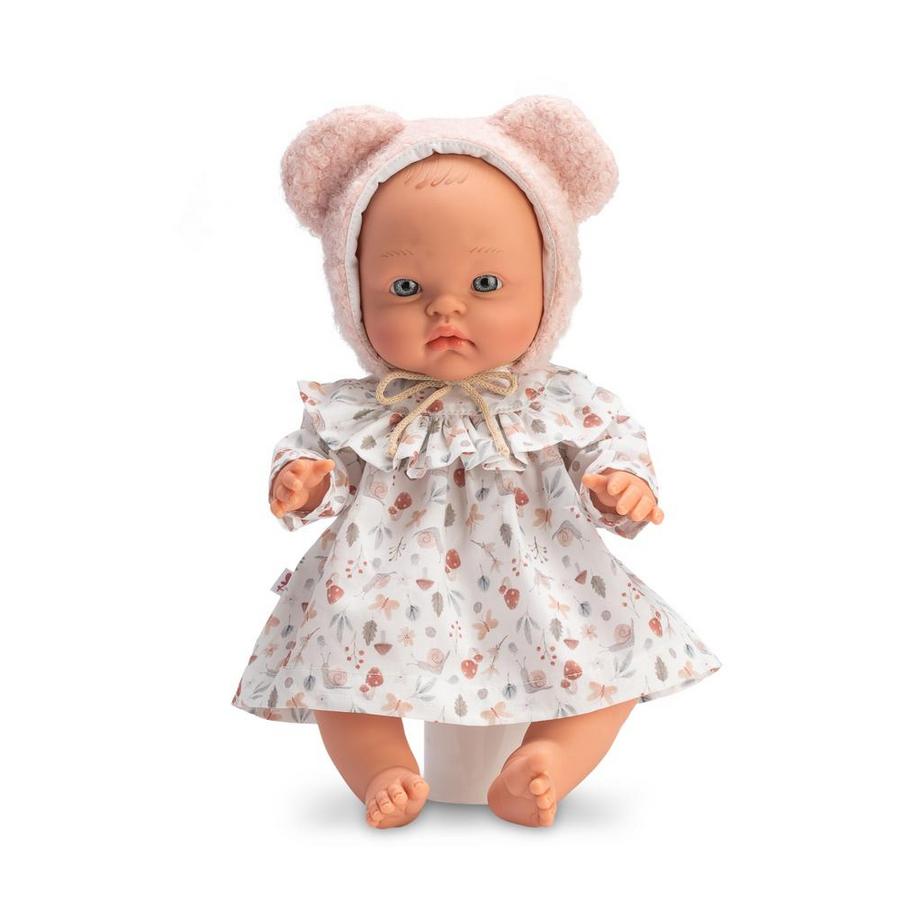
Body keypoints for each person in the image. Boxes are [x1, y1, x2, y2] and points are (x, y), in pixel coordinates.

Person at [232, 96, 722, 829]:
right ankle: (384, 769)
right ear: (352, 293)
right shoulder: (363, 407)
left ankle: (547, 759)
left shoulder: (557, 399)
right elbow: (317, 452)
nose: (446, 310)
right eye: (406, 289)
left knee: (617, 660)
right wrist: (305, 480)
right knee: (342, 666)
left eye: (486, 285)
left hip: (541, 581)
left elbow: (610, 439)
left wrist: (620, 483)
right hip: (388, 591)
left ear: (551, 285)